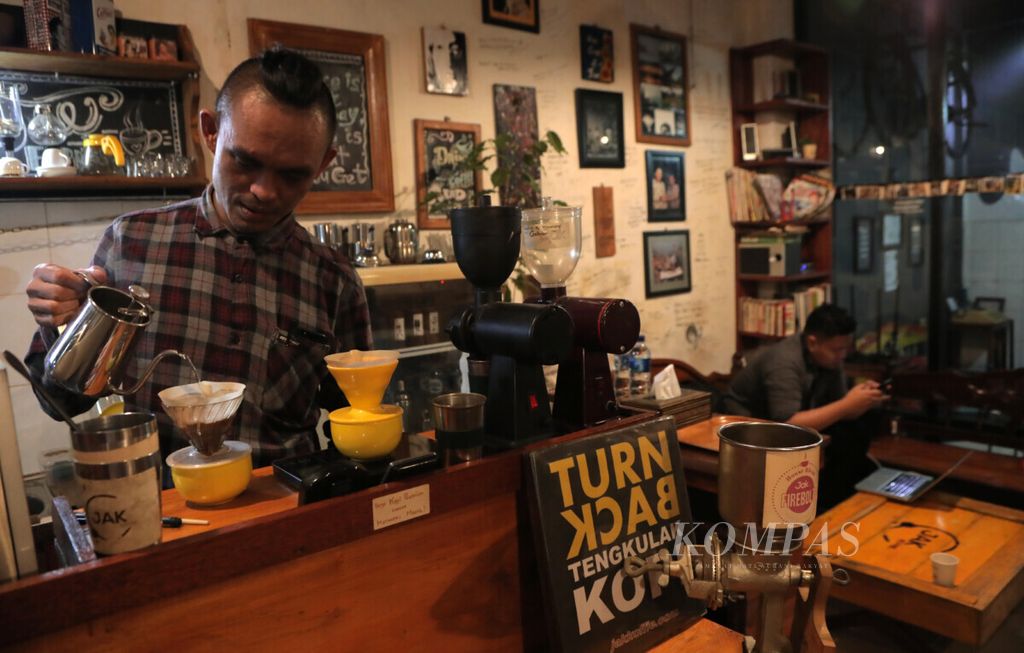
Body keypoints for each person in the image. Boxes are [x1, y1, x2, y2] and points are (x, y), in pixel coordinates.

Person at [24, 47, 371, 470]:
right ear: (210, 132)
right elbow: (58, 401)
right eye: (245, 161)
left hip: (283, 510)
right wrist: (58, 322)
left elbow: (355, 422)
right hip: (157, 510)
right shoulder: (131, 242)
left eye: (293, 174)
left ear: (323, 164)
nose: (263, 190)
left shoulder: (333, 281)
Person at [721, 304, 888, 509]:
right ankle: (822, 507)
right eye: (837, 349)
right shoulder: (783, 361)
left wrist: (862, 399)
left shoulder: (829, 360)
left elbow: (837, 404)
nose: (843, 355)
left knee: (856, 431)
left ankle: (839, 503)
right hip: (748, 424)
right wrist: (847, 405)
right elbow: (787, 422)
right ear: (812, 342)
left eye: (846, 348)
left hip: (789, 422)